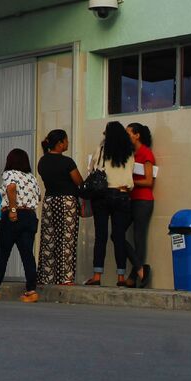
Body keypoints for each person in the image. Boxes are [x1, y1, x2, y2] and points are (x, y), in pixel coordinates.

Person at [0, 148, 42, 302]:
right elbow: (38, 197)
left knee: (2, 255)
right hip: (29, 215)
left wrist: (12, 209)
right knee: (27, 255)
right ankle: (31, 290)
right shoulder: (32, 177)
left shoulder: (10, 173)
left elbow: (11, 188)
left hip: (13, 216)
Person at [83, 121, 135, 287]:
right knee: (119, 237)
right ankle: (121, 278)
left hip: (102, 196)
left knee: (101, 237)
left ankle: (97, 276)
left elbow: (91, 169)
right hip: (122, 195)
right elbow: (130, 173)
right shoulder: (129, 152)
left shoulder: (102, 149)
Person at [36, 129, 83, 286]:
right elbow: (79, 181)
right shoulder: (67, 162)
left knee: (49, 239)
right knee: (66, 239)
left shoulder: (42, 161)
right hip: (66, 201)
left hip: (49, 201)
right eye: (66, 140)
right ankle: (65, 277)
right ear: (60, 143)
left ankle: (46, 276)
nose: (67, 143)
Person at [124, 122, 156, 288]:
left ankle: (133, 276)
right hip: (131, 199)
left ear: (137, 135)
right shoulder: (129, 154)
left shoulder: (145, 153)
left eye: (128, 133)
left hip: (143, 200)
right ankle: (140, 269)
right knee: (117, 234)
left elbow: (149, 180)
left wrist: (131, 182)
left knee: (138, 237)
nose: (126, 136)